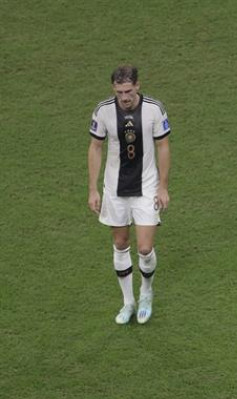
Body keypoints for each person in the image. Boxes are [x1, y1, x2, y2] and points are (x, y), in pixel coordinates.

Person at [88, 65, 171, 325]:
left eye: (128, 90)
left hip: (146, 186)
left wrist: (163, 186)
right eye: (119, 91)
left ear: (137, 85)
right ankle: (128, 302)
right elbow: (95, 147)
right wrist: (93, 188)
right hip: (115, 189)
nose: (124, 97)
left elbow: (163, 146)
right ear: (114, 88)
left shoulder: (154, 109)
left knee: (145, 248)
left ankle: (146, 293)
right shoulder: (103, 111)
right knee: (121, 244)